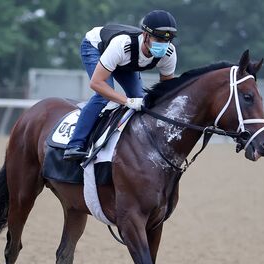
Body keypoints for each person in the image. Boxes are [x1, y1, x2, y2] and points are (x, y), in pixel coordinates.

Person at [63, 10, 178, 160]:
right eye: (158, 39)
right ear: (145, 35)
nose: (163, 45)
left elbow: (166, 91)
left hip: (124, 61)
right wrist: (127, 101)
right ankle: (75, 144)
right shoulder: (122, 44)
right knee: (103, 96)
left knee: (139, 98)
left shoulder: (169, 53)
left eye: (167, 40)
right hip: (96, 47)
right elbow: (97, 83)